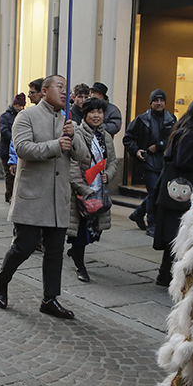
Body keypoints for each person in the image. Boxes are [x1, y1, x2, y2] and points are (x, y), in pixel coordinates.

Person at [0, 74, 87, 318]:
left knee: (55, 251)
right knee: (24, 246)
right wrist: (56, 145)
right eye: (60, 87)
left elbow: (82, 156)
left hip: (58, 197)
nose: (66, 92)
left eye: (67, 88)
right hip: (32, 195)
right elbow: (23, 148)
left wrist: (73, 135)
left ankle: (50, 298)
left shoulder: (69, 120)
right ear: (44, 91)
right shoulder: (27, 116)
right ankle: (2, 278)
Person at [153, 98, 193, 287]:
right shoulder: (192, 134)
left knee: (174, 234)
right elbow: (182, 161)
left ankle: (165, 274)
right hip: (181, 193)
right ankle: (167, 275)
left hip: (175, 193)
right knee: (177, 235)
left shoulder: (183, 130)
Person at [67, 98, 116, 283]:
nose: (96, 116)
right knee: (80, 232)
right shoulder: (78, 134)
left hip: (99, 191)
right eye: (92, 112)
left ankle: (75, 252)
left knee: (94, 231)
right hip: (81, 193)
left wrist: (108, 176)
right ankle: (80, 265)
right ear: (85, 114)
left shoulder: (106, 136)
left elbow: (112, 161)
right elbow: (72, 165)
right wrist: (83, 189)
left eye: (100, 112)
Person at [122, 89, 176, 235]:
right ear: (151, 102)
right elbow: (128, 138)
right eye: (156, 100)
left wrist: (158, 146)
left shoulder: (171, 119)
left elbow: (174, 139)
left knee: (158, 193)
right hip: (148, 162)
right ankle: (152, 224)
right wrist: (136, 150)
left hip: (165, 162)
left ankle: (138, 213)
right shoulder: (141, 119)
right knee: (153, 194)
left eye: (161, 100)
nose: (159, 103)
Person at [0, 93, 26, 201]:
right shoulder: (5, 116)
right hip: (6, 150)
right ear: (14, 104)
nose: (21, 108)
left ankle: (15, 195)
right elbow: (4, 131)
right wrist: (17, 138)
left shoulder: (24, 115)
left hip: (19, 149)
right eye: (19, 106)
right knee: (10, 175)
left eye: (22, 106)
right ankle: (9, 194)